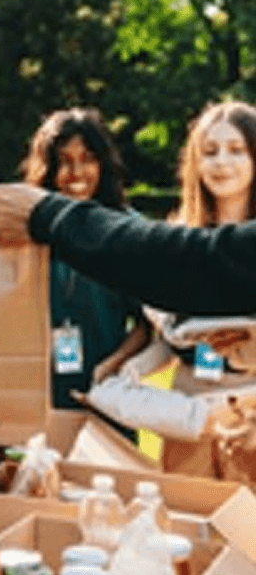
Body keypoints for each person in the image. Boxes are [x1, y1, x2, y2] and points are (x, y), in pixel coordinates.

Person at [84, 101, 256, 477]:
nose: (221, 162)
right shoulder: (178, 239)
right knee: (187, 517)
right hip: (187, 411)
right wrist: (126, 369)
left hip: (250, 408)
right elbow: (170, 334)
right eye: (209, 152)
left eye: (236, 150)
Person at [19, 108, 150, 411]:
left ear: (103, 163)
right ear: (47, 169)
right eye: (64, 161)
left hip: (107, 392)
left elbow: (148, 326)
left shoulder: (127, 231)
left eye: (88, 159)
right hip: (38, 393)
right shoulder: (27, 232)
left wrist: (110, 369)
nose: (76, 173)